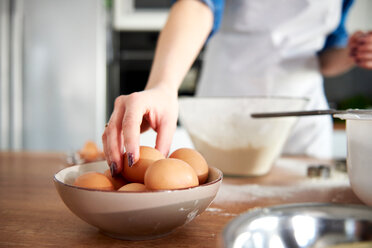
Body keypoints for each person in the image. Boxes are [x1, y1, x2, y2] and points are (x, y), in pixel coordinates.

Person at [102, 0, 372, 176]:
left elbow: (326, 55)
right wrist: (163, 85)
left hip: (301, 119)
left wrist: (351, 53)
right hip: (227, 109)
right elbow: (198, 5)